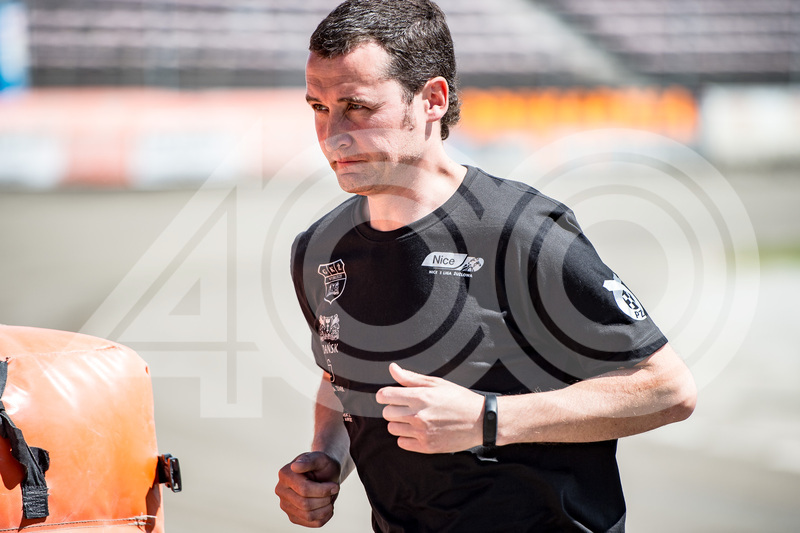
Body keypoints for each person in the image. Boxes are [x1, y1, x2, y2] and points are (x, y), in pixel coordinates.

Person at [275, 1, 697, 531]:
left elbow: (667, 389)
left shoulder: (520, 229)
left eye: (357, 106)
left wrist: (487, 419)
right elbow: (338, 374)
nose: (332, 133)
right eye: (318, 107)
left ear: (432, 100)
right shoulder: (319, 249)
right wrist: (327, 457)